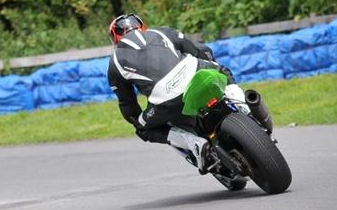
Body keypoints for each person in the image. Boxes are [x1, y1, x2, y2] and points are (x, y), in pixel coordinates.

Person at [106, 13, 250, 174]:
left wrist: (137, 121)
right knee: (223, 71)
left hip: (165, 100)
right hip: (194, 72)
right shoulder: (161, 31)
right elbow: (198, 50)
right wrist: (212, 65)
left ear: (115, 38)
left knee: (143, 129)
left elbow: (127, 103)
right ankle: (245, 108)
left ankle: (194, 143)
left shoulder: (115, 62)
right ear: (141, 25)